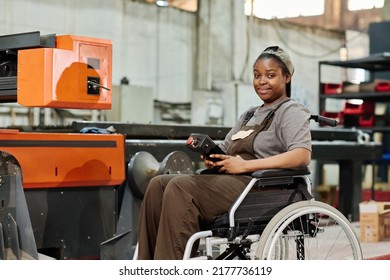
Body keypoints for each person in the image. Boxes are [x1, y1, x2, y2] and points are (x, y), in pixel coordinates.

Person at [136, 46, 312, 260]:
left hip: (260, 187)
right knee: (158, 184)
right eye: (257, 76)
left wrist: (245, 166)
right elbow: (228, 147)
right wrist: (215, 158)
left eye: (270, 75)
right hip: (233, 181)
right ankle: (149, 266)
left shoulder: (291, 111)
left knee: (180, 187)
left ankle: (173, 266)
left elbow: (301, 155)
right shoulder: (249, 115)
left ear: (286, 77)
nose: (261, 81)